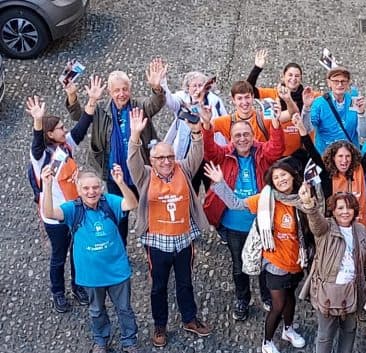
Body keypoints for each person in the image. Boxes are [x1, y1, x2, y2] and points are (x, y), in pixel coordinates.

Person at [210, 159, 313, 353]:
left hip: (297, 260)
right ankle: (267, 343)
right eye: (276, 177)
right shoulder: (265, 199)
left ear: (293, 175)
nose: (281, 179)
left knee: (290, 297)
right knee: (278, 304)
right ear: (271, 182)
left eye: (284, 175)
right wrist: (220, 183)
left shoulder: (304, 198)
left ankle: (288, 329)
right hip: (274, 262)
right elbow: (236, 204)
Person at [126, 108, 211, 349]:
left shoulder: (183, 169)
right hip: (157, 243)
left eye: (169, 157)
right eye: (160, 158)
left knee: (185, 282)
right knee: (158, 286)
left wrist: (196, 132)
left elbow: (197, 153)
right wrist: (135, 136)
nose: (166, 162)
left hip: (184, 239)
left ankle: (189, 319)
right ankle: (160, 325)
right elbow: (132, 162)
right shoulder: (145, 176)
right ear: (151, 161)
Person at [41, 165, 142, 353]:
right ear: (79, 190)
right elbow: (50, 213)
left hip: (117, 271)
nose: (91, 192)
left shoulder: (110, 203)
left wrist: (121, 183)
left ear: (101, 188)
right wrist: (47, 185)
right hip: (90, 275)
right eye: (86, 188)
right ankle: (101, 341)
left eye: (95, 187)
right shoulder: (73, 209)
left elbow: (131, 204)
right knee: (96, 310)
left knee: (125, 309)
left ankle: (129, 341)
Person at [65, 58, 167, 244]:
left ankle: (154, 245)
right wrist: (73, 95)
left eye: (125, 89)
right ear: (110, 92)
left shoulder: (140, 106)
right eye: (117, 90)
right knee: (120, 215)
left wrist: (157, 88)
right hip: (115, 175)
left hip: (141, 172)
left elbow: (156, 103)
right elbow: (78, 115)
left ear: (130, 90)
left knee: (149, 209)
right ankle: (121, 248)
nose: (122, 94)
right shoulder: (100, 111)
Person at [26, 76, 103, 313]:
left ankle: (77, 285)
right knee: (59, 255)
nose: (64, 130)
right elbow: (36, 144)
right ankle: (58, 292)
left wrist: (91, 101)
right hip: (55, 215)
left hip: (74, 210)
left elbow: (81, 128)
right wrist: (38, 121)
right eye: (59, 128)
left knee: (76, 251)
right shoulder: (40, 158)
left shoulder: (65, 146)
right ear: (50, 134)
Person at [200, 104, 284, 319]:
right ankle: (242, 299)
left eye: (246, 134)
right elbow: (209, 150)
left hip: (260, 221)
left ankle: (266, 296)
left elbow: (277, 148)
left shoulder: (262, 152)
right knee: (239, 266)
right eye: (237, 135)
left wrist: (275, 124)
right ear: (231, 137)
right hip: (233, 223)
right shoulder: (224, 153)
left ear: (253, 134)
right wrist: (207, 125)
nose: (242, 138)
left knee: (264, 262)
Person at [297, 188, 366, 353]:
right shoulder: (326, 229)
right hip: (327, 292)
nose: (345, 211)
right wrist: (309, 204)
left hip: (353, 291)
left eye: (349, 207)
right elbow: (315, 222)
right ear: (333, 210)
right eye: (340, 207)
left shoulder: (361, 231)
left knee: (350, 328)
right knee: (325, 333)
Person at [295, 112, 366, 227]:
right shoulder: (327, 173)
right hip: (333, 228)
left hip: (358, 227)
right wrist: (302, 131)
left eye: (348, 156)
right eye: (340, 156)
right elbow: (312, 152)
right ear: (333, 158)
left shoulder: (359, 170)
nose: (344, 160)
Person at [162, 69, 228, 192]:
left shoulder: (214, 101)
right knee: (190, 187)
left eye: (200, 85)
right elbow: (170, 101)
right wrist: (163, 83)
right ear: (188, 87)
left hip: (209, 152)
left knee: (212, 188)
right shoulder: (182, 98)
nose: (197, 89)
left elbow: (224, 121)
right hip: (189, 153)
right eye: (194, 85)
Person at [247, 48, 320, 157]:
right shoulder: (273, 94)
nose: (293, 79)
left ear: (301, 78)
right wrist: (257, 68)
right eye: (290, 75)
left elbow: (332, 98)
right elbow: (249, 90)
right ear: (283, 76)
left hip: (303, 152)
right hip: (278, 152)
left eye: (297, 76)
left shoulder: (310, 96)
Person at [305, 67, 366, 153]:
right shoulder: (319, 103)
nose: (340, 84)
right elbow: (308, 128)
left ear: (348, 83)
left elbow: (364, 134)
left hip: (350, 156)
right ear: (329, 83)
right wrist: (307, 108)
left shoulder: (354, 101)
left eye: (343, 81)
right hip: (326, 155)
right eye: (336, 81)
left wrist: (361, 113)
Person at [211, 80, 288, 144]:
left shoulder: (264, 118)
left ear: (253, 97)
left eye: (247, 97)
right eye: (240, 98)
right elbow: (203, 130)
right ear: (233, 100)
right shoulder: (226, 122)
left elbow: (291, 114)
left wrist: (288, 99)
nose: (244, 102)